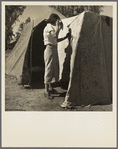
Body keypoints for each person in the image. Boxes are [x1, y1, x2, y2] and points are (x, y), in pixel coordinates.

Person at [43, 13, 71, 99]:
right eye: (57, 20)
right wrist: (58, 26)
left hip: (53, 48)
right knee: (49, 69)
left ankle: (50, 88)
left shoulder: (51, 27)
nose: (57, 22)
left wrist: (66, 37)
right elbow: (55, 35)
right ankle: (46, 91)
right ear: (54, 19)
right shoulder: (49, 26)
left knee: (54, 68)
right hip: (49, 48)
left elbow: (56, 39)